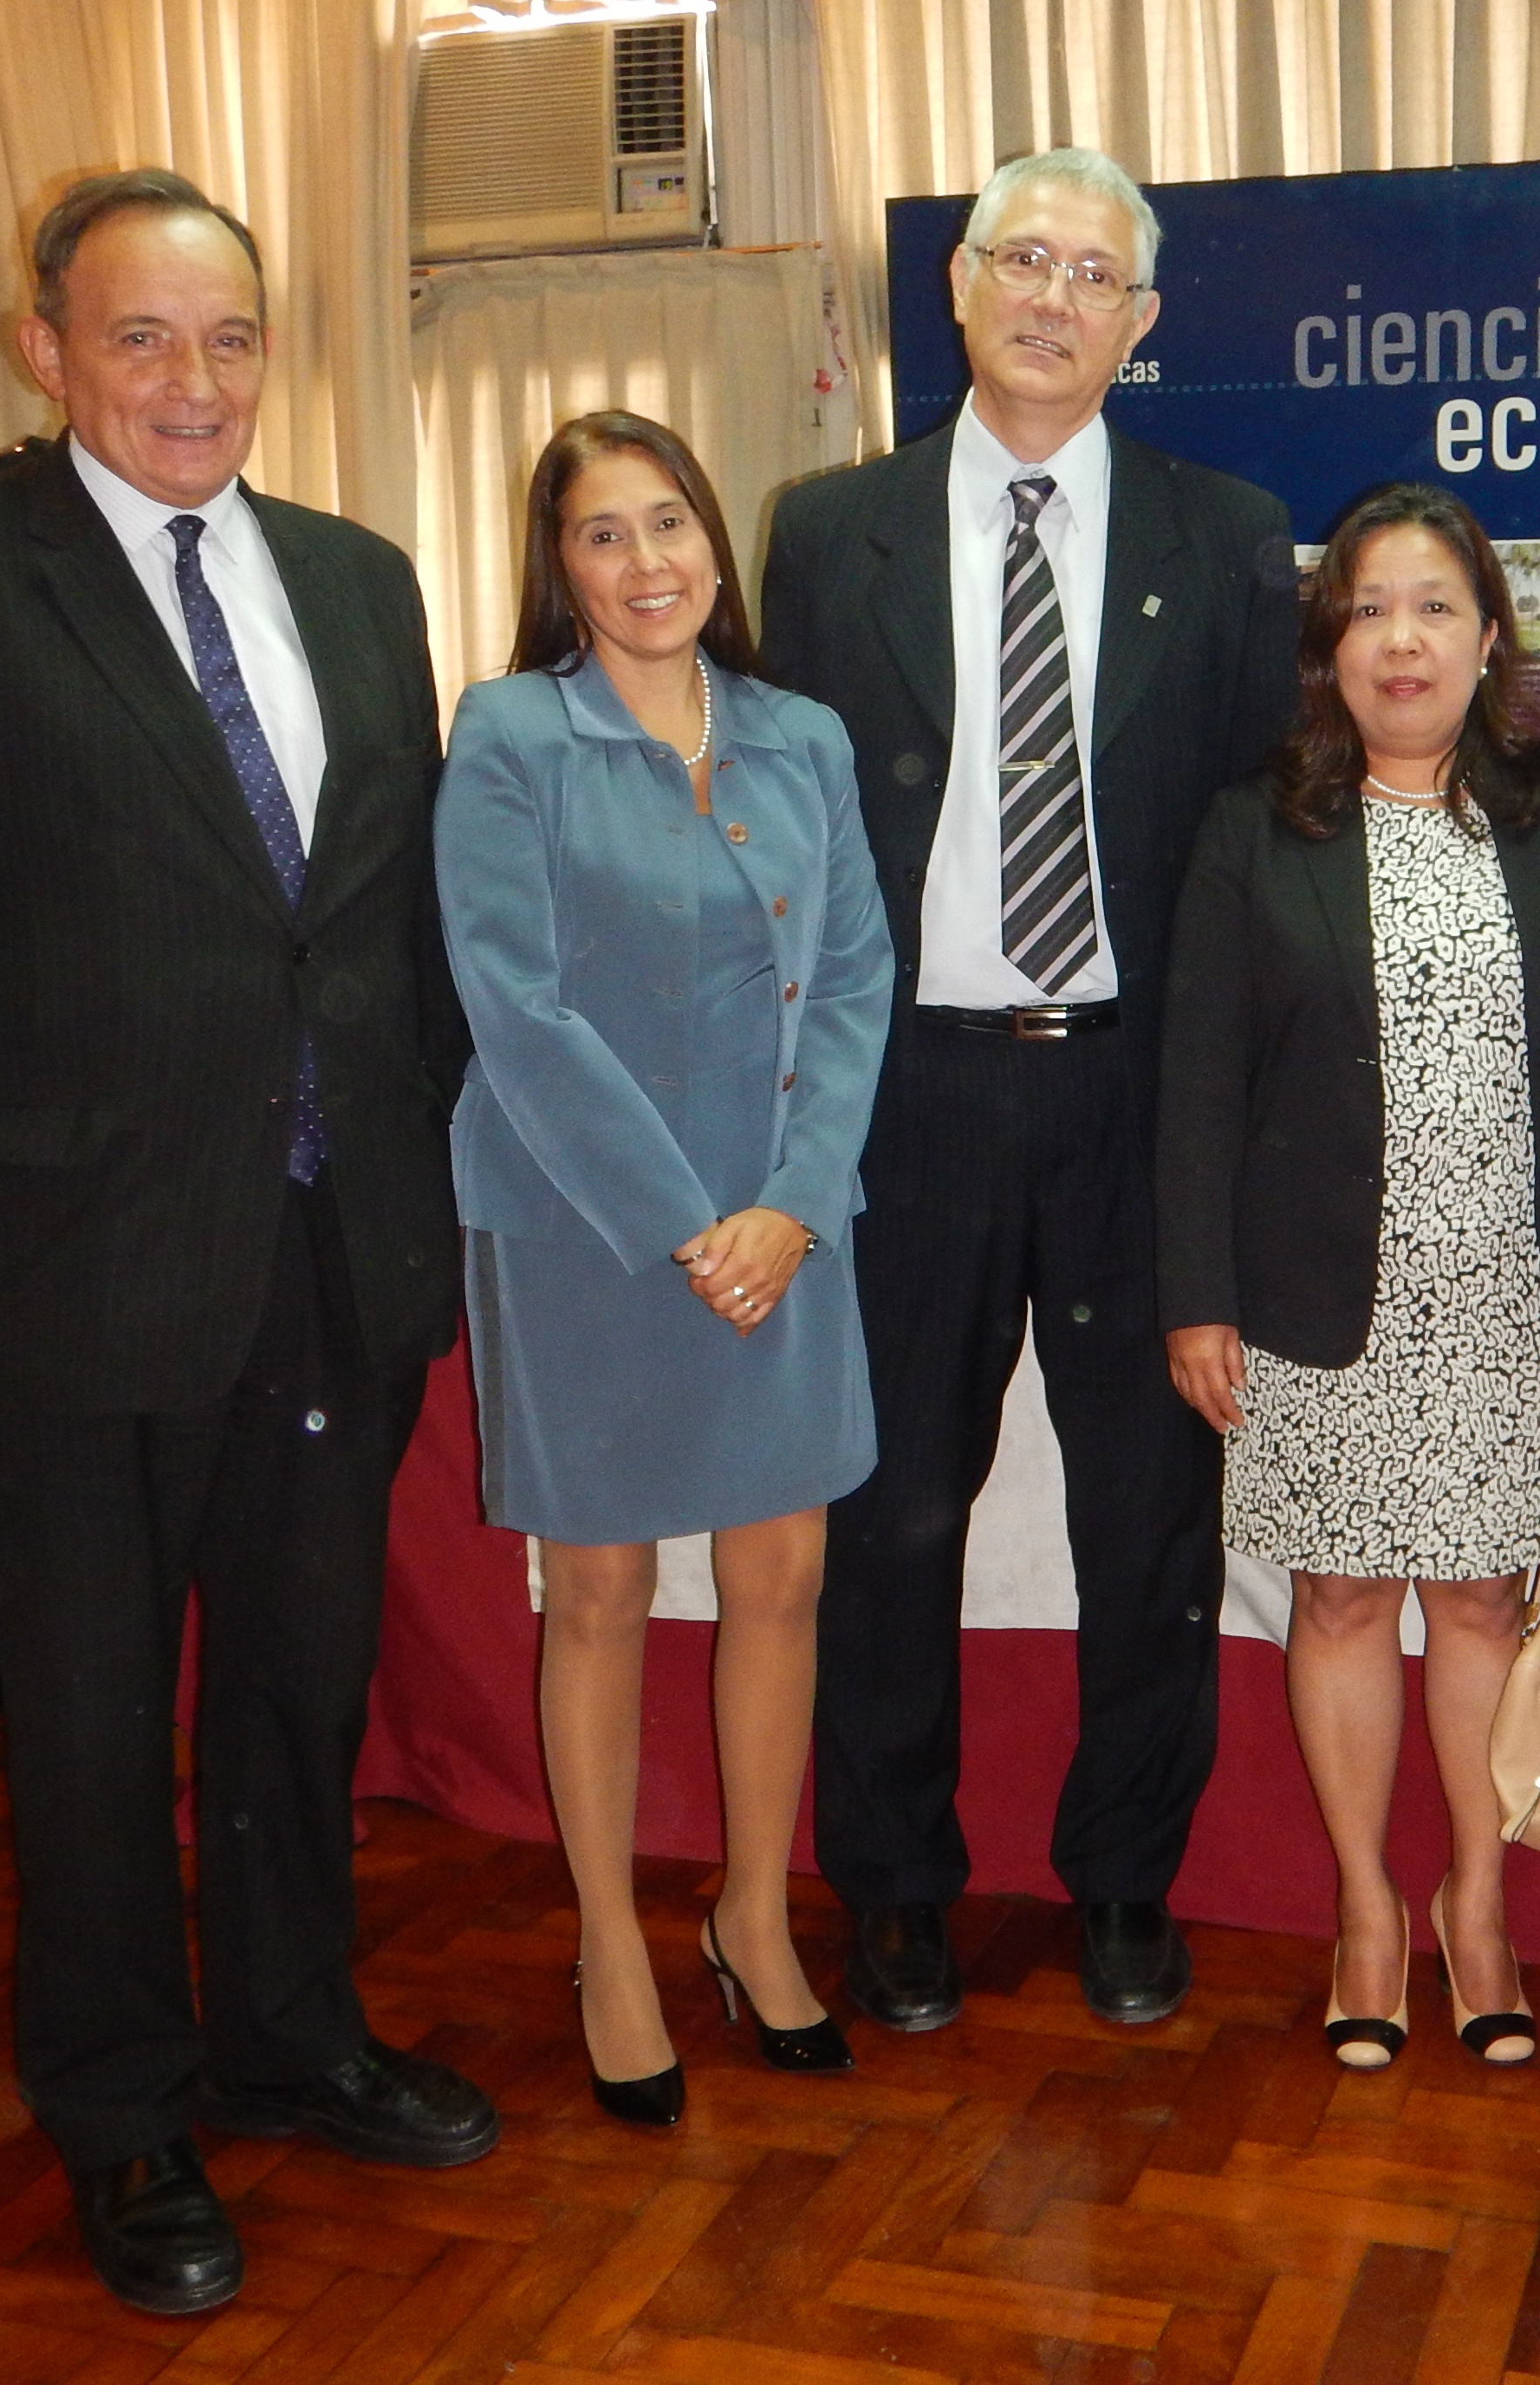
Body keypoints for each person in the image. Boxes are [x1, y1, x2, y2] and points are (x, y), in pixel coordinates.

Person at [0, 169, 493, 2318]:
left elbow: (383, 938)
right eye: (144, 337)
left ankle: (292, 2038)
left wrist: (436, 1199)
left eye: (231, 338)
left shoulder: (359, 586)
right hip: (59, 1284)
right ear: (48, 351)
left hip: (325, 1257)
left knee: (297, 1684)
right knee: (86, 1722)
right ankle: (121, 2107)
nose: (194, 381)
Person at [758, 146, 1298, 2032]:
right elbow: (790, 839)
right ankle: (895, 1888)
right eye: (1023, 260)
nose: (1055, 296)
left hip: (1143, 1103)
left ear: (1140, 325)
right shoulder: (832, 534)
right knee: (895, 1510)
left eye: (1096, 273)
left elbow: (1253, 849)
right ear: (963, 290)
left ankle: (1126, 1881)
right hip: (910, 1095)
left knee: (1148, 1522)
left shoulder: (1224, 535)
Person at [1157, 483, 1540, 2073]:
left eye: (1434, 603)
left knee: (1481, 1601)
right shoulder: (1256, 829)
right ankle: (1369, 1909)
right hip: (1316, 1295)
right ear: (1330, 647)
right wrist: (1195, 1290)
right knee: (1343, 1594)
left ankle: (1479, 1905)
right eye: (1367, 606)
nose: (1401, 637)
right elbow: (1197, 1084)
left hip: (1511, 1293)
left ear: (1488, 634)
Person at [434, 412, 890, 2128]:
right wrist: (685, 1218)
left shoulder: (807, 740)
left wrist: (791, 1201)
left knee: (781, 1579)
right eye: (603, 536)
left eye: (670, 522)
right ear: (560, 571)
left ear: (717, 538)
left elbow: (852, 980)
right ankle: (612, 1938)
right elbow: (514, 1002)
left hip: (787, 1225)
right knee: (604, 1596)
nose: (647, 563)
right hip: (582, 1226)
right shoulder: (510, 736)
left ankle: (754, 1913)